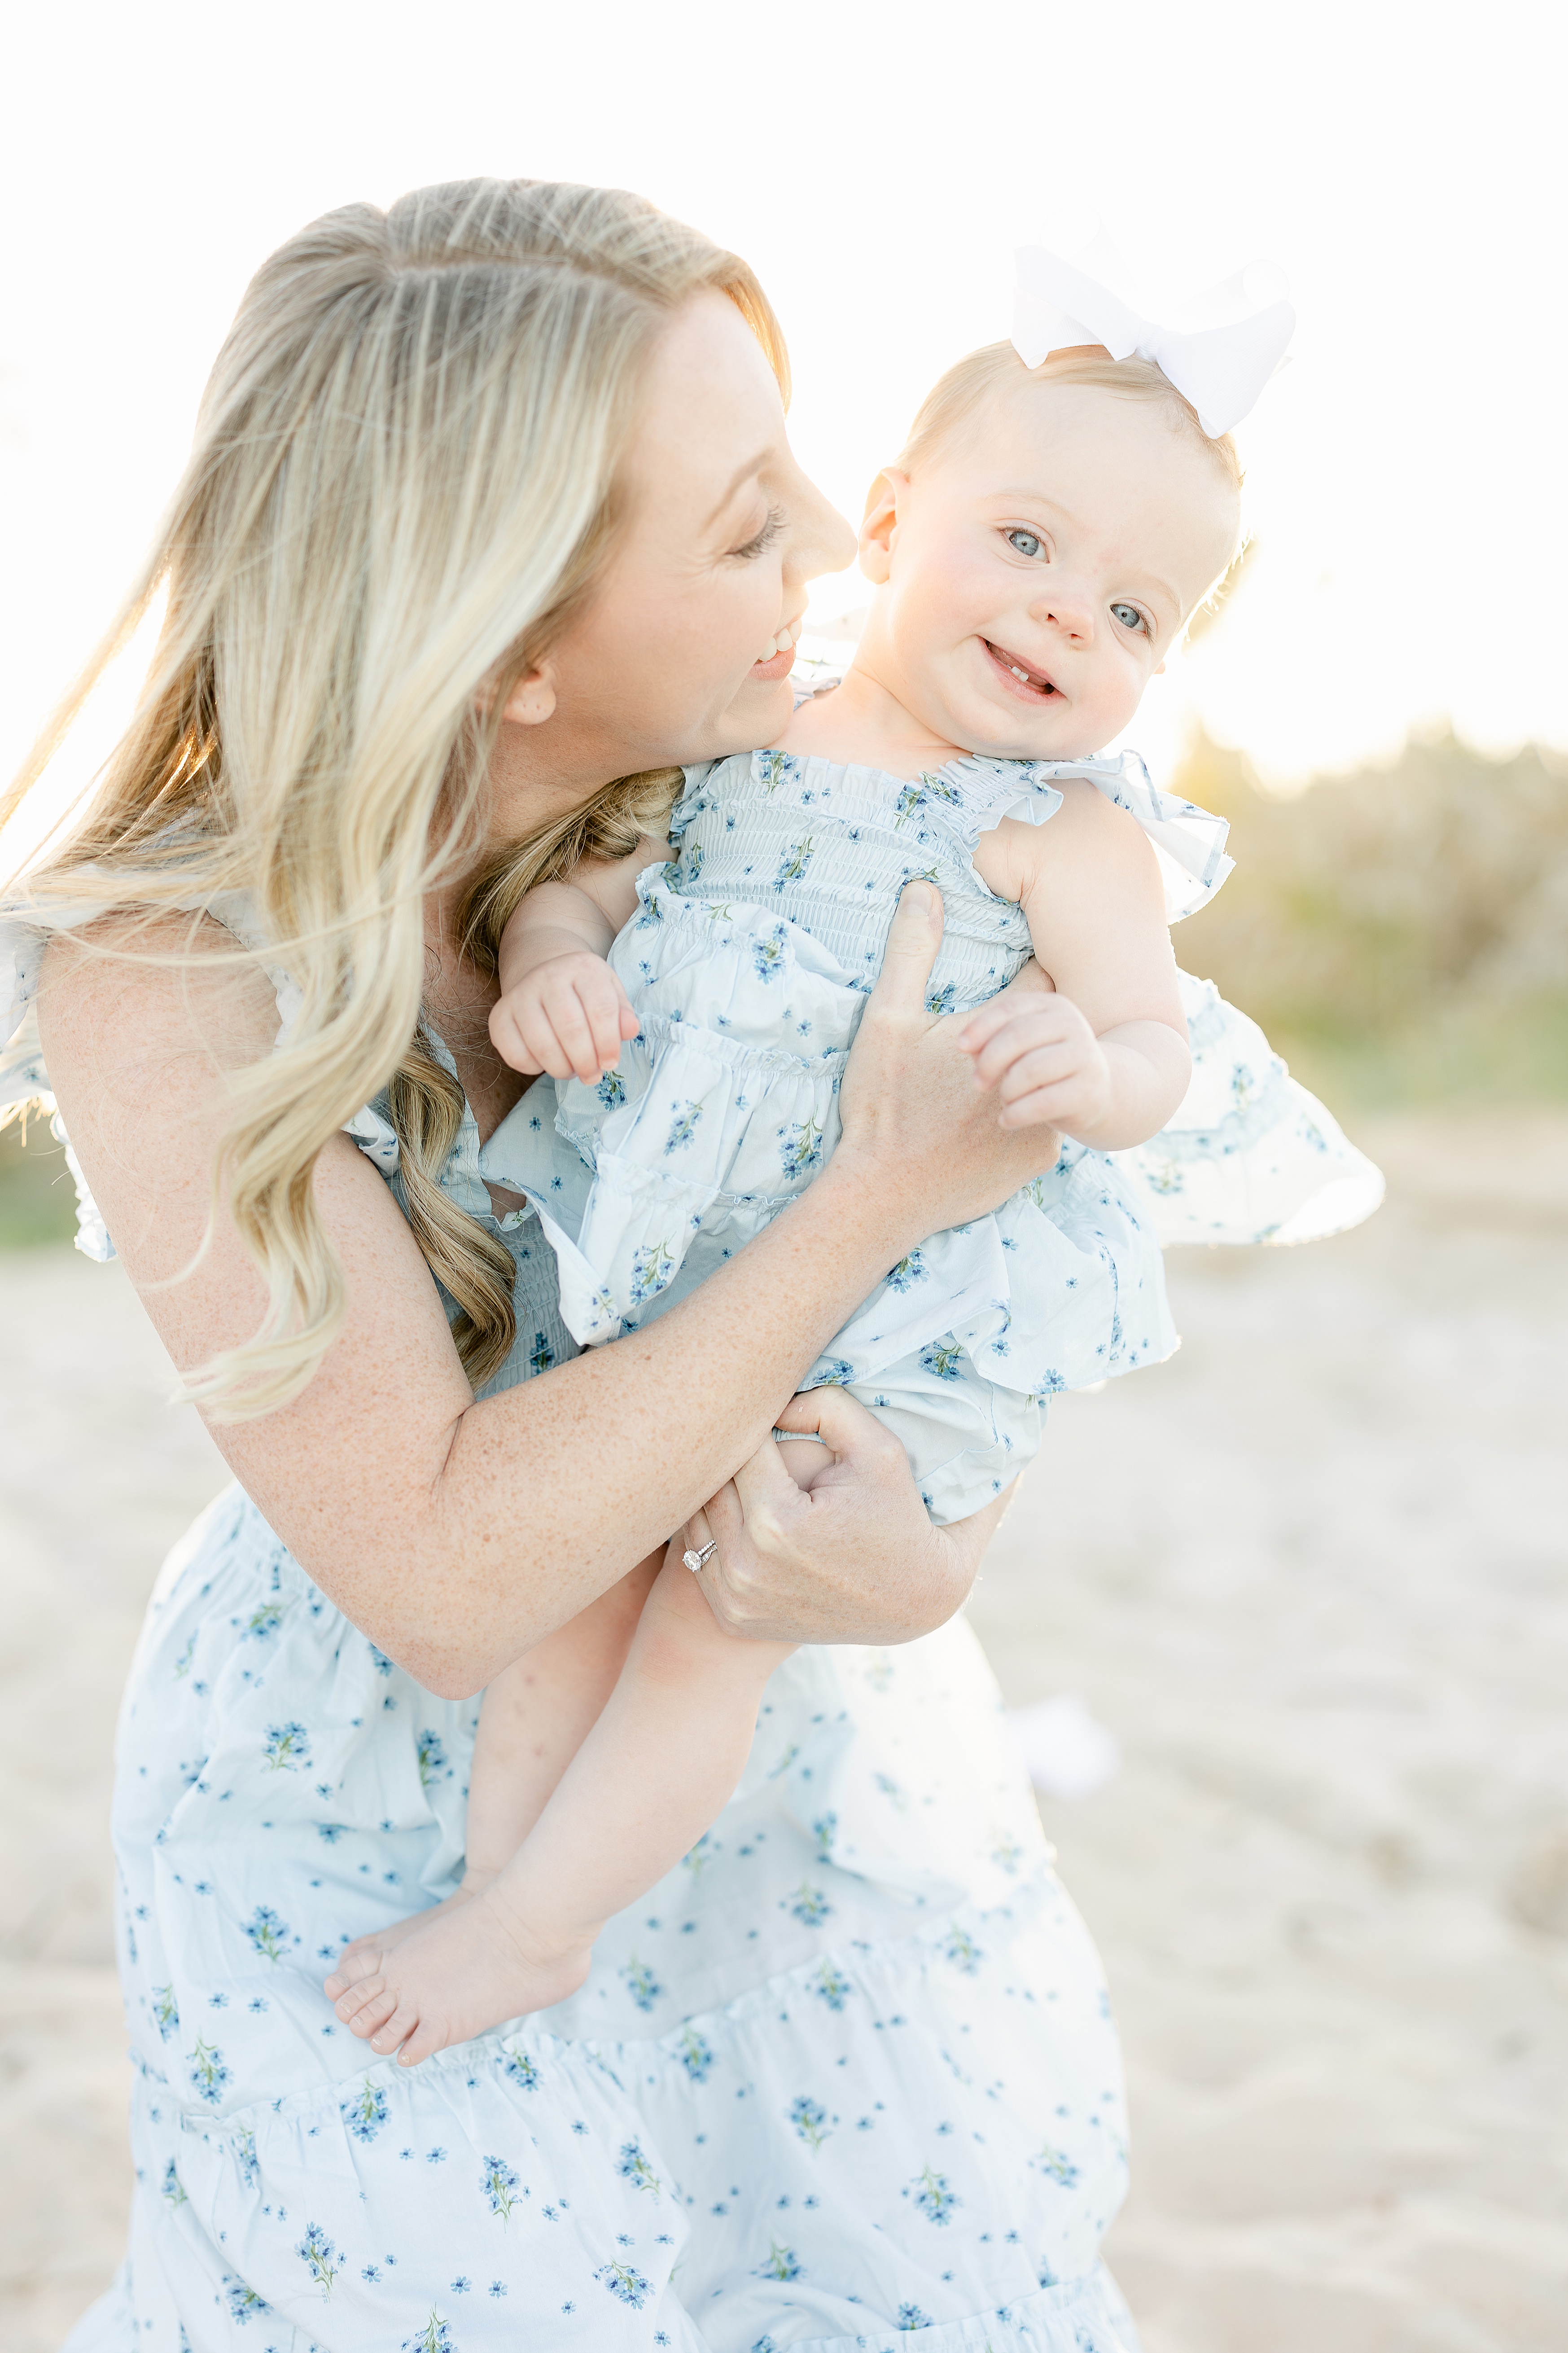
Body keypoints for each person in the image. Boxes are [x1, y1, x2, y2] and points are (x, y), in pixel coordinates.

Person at [1, 180, 1151, 2351]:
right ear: (514, 639)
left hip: (749, 1728)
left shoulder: (755, 808)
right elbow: (439, 1572)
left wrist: (920, 1560)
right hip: (389, 1811)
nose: (832, 538)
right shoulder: (173, 972)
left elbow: (991, 1289)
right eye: (740, 520)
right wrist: (859, 1202)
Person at [323, 317, 1381, 2070]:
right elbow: (575, 885)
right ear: (887, 515)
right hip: (664, 1265)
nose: (1065, 614)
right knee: (574, 1565)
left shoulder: (1062, 834)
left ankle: (537, 1924)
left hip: (886, 1315)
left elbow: (1147, 1041)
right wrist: (550, 964)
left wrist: (1093, 1078)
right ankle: (502, 1876)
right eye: (1026, 541)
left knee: (719, 1611)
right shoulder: (743, 732)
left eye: (1133, 612)